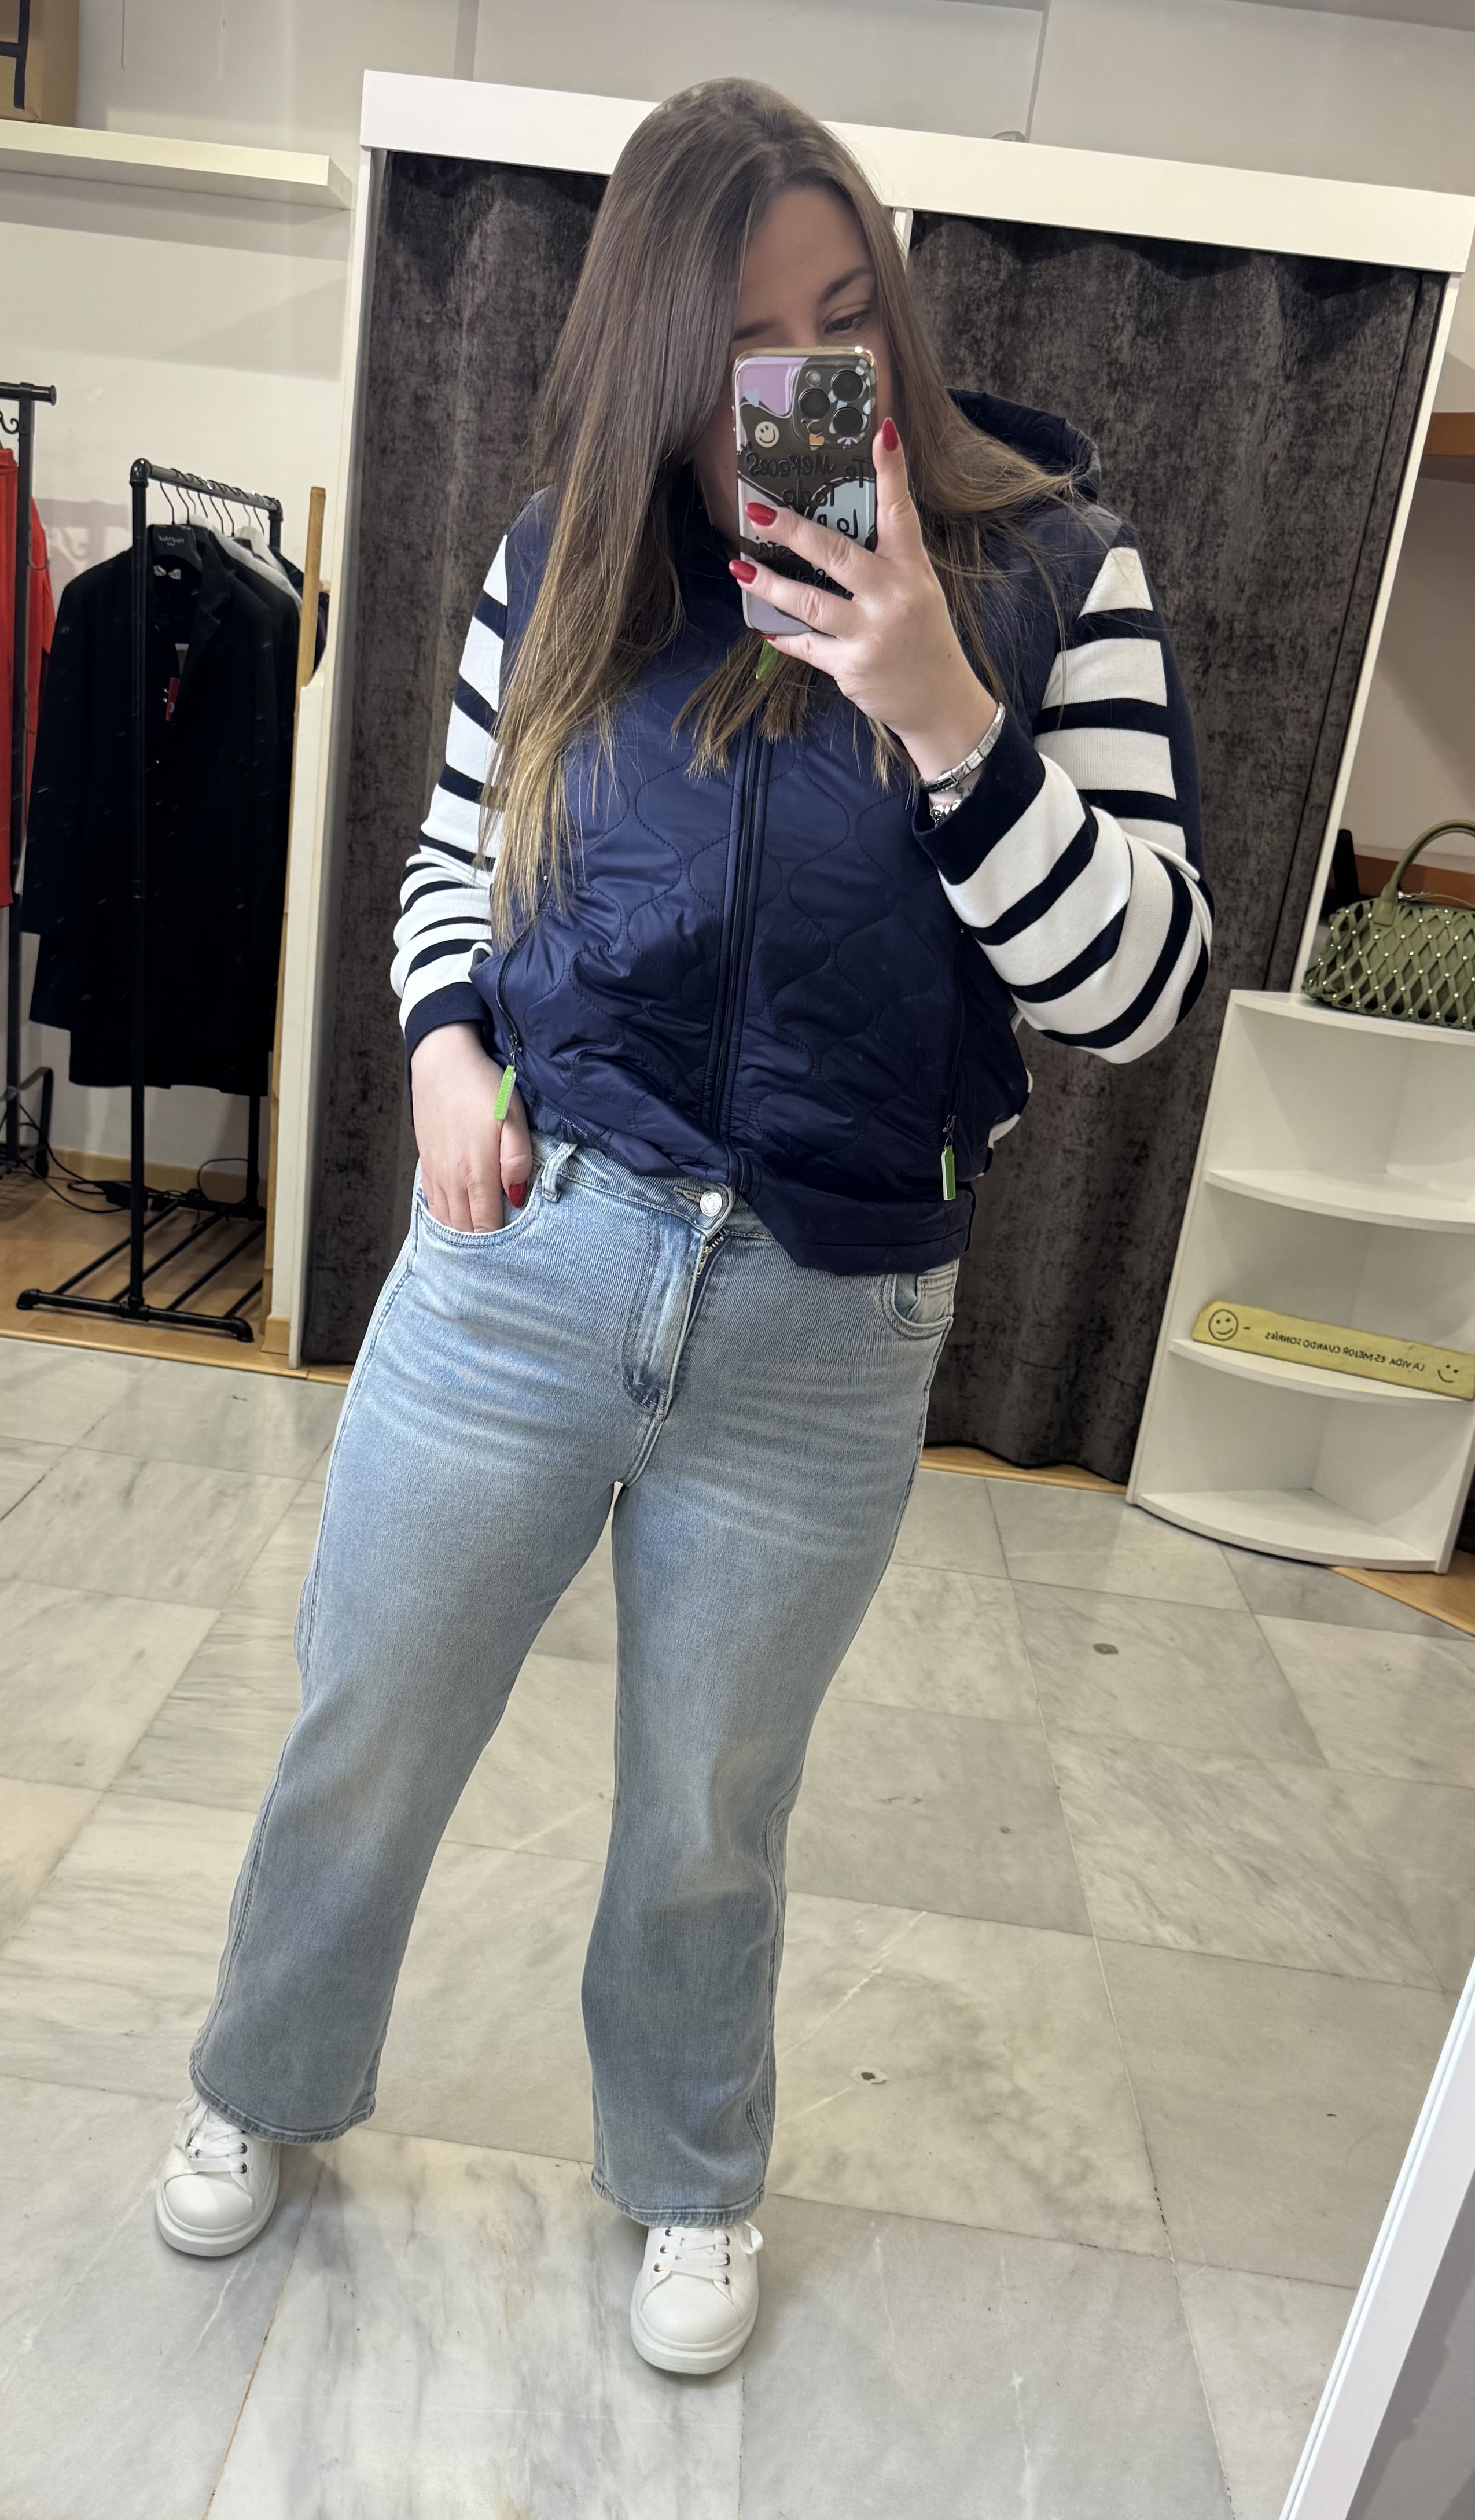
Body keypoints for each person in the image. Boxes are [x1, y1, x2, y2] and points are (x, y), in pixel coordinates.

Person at [155, 78, 1209, 2375]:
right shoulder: (571, 550)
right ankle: (263, 2076)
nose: (808, 381)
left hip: (831, 1321)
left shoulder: (1056, 574)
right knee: (368, 1714)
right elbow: (455, 857)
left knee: (713, 1808)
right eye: (744, 342)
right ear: (652, 351)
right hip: (528, 1260)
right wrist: (443, 1052)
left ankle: (690, 2173)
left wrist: (945, 713)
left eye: (845, 316)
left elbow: (1135, 992)